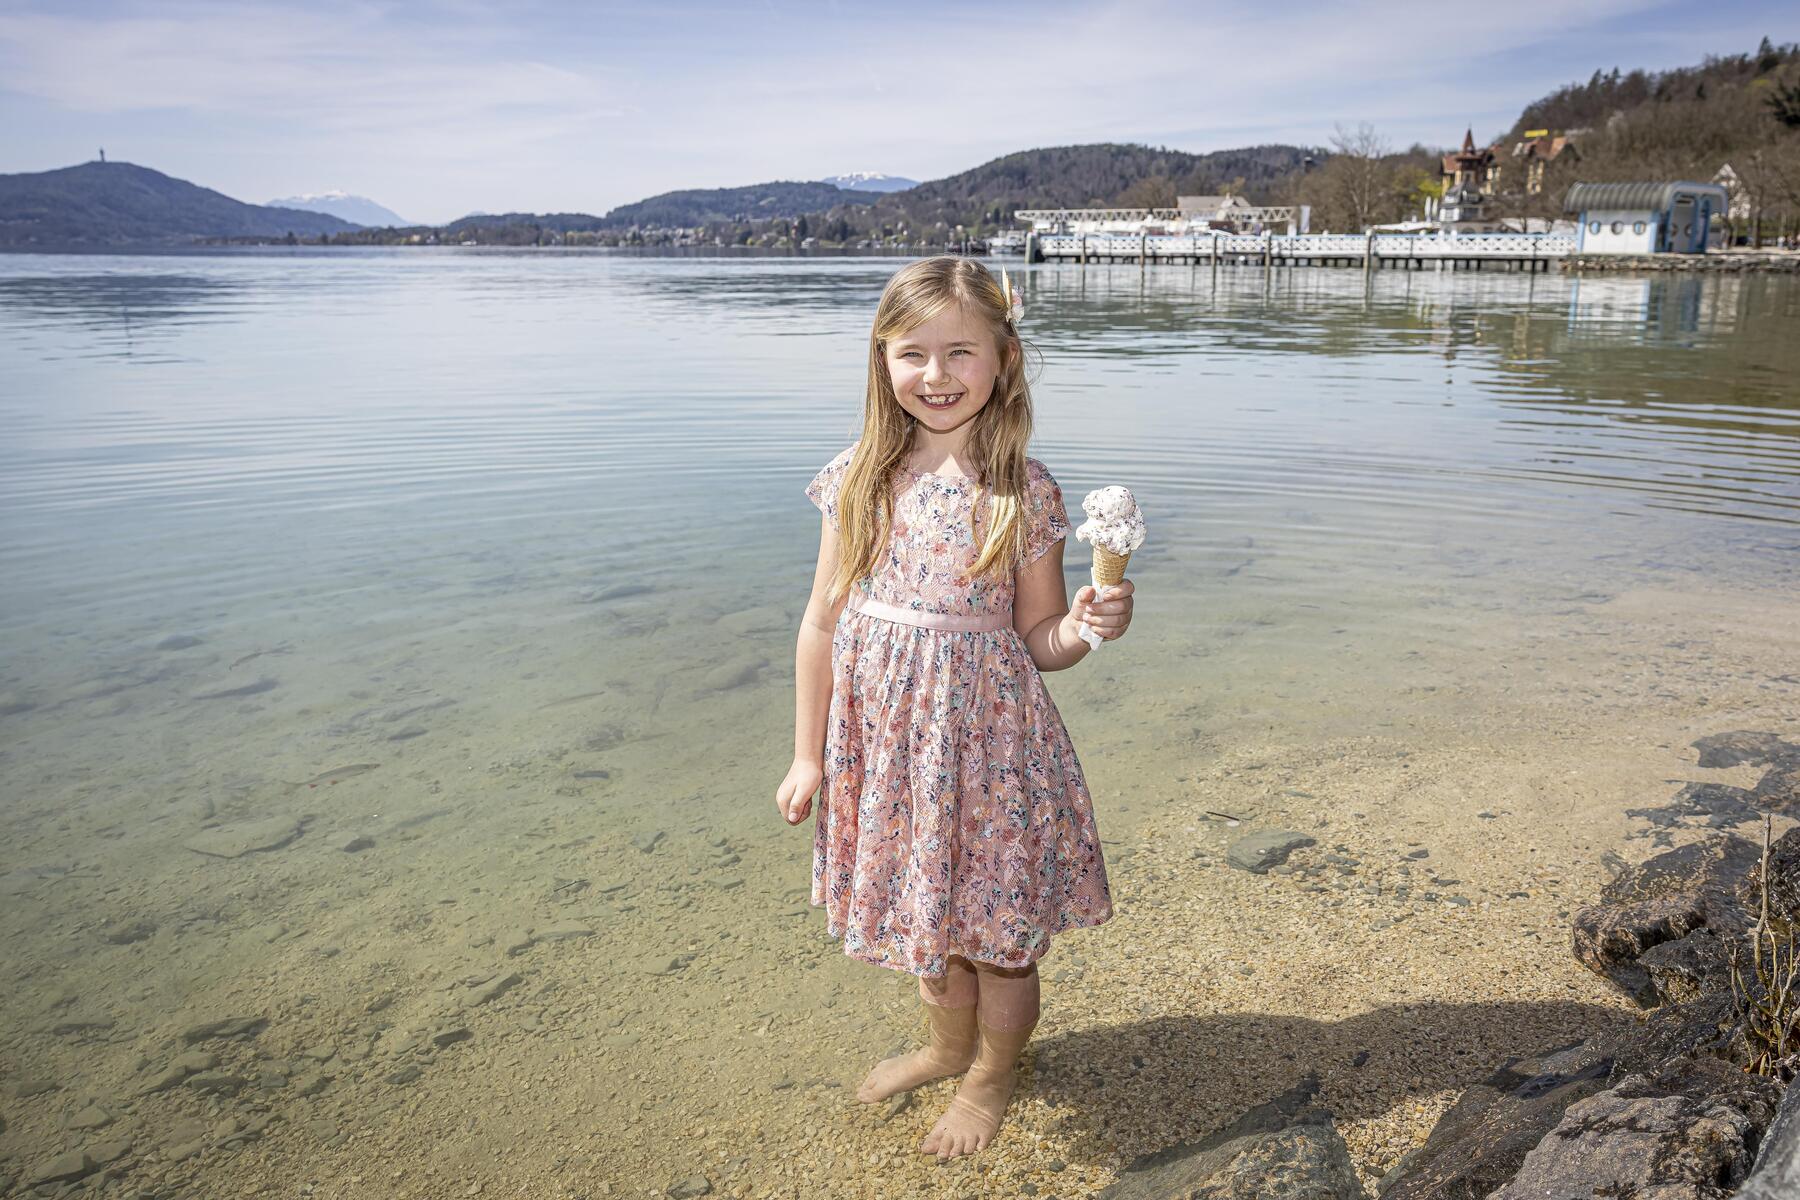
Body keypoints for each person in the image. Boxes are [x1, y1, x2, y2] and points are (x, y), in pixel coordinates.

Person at [773, 256, 1134, 1162]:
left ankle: (991, 1074)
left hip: (991, 755)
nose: (936, 376)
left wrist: (1088, 625)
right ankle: (944, 1046)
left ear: (1004, 360)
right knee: (928, 925)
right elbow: (820, 624)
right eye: (913, 354)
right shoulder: (857, 476)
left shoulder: (1025, 490)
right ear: (881, 361)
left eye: (961, 352)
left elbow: (1041, 641)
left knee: (1000, 939)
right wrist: (808, 755)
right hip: (888, 755)